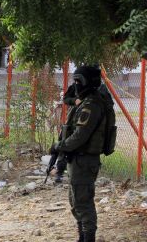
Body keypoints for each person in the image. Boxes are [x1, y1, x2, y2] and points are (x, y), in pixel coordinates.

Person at [51, 65, 106, 242]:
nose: (75, 86)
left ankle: (88, 238)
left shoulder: (91, 105)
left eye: (78, 82)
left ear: (87, 82)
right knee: (75, 202)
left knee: (83, 203)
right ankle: (82, 236)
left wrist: (59, 146)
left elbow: (80, 136)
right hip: (78, 160)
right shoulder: (85, 102)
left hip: (85, 160)